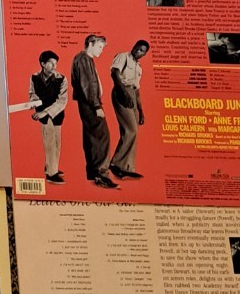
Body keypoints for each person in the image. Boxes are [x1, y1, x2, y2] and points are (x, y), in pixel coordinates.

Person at [71, 34, 116, 187]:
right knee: (101, 136)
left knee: (91, 136)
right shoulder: (83, 59)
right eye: (99, 46)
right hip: (90, 104)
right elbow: (87, 85)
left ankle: (93, 172)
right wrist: (96, 106)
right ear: (90, 44)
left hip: (88, 102)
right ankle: (101, 174)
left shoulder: (84, 59)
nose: (101, 50)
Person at [109, 39, 150, 179]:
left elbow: (137, 91)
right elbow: (115, 73)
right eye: (137, 48)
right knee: (131, 130)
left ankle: (126, 167)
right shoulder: (123, 56)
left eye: (142, 50)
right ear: (133, 46)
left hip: (132, 94)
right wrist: (123, 93)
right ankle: (115, 164)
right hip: (122, 91)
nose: (138, 51)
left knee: (131, 131)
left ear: (144, 54)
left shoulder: (139, 68)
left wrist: (141, 111)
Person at [28, 49, 67, 181]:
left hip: (56, 112)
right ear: (43, 64)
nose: (54, 66)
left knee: (57, 143)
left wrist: (46, 111)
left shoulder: (61, 79)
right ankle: (51, 174)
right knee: (49, 142)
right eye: (51, 63)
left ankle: (51, 166)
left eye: (56, 63)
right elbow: (32, 94)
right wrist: (34, 104)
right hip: (43, 114)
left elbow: (62, 101)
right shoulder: (34, 77)